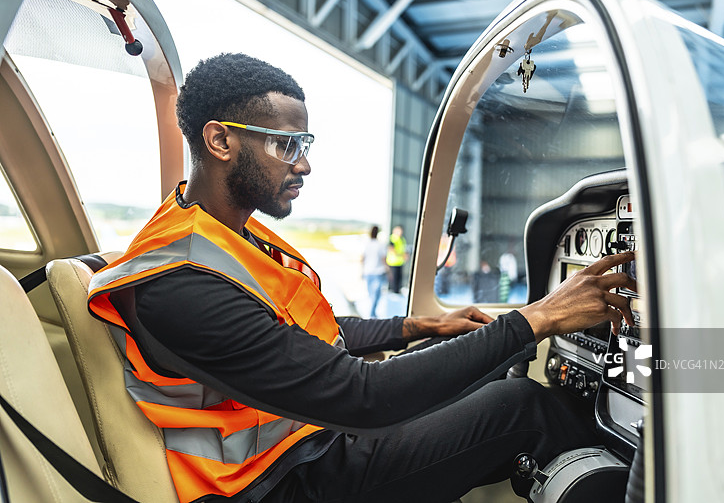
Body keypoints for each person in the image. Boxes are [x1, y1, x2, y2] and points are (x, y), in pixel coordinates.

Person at [87, 53, 635, 503]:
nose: (303, 165)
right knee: (521, 408)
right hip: (276, 483)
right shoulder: (181, 283)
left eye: (305, 146)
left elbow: (297, 334)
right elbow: (361, 396)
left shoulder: (223, 234)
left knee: (496, 378)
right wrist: (539, 317)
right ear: (220, 141)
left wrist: (416, 326)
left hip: (305, 439)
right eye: (286, 146)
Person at [362, 225, 386, 318]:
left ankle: (372, 314)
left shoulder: (366, 244)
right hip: (378, 272)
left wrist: (361, 271)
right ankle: (372, 314)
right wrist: (388, 270)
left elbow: (362, 258)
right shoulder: (380, 245)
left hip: (368, 272)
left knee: (371, 295)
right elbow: (383, 259)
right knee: (376, 295)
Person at [386, 224, 407, 293]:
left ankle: (397, 291)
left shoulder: (402, 239)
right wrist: (401, 255)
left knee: (399, 279)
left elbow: (403, 249)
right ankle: (393, 292)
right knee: (393, 279)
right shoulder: (392, 238)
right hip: (393, 262)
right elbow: (391, 249)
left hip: (400, 262)